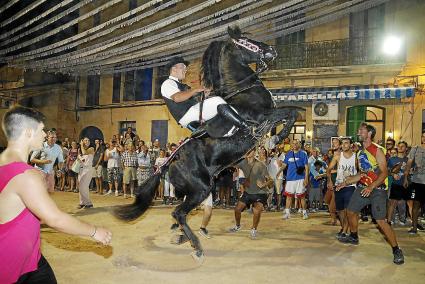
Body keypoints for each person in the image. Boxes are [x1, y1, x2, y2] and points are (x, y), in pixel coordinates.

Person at [0, 106, 112, 283]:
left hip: (31, 258)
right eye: (41, 129)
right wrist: (95, 231)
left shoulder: (4, 163)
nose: (45, 134)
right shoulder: (26, 175)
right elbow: (55, 219)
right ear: (29, 132)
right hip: (13, 265)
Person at [339, 123, 404, 265]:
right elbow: (362, 174)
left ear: (369, 133)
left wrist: (371, 186)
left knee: (380, 220)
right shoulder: (360, 153)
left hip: (378, 189)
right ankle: (354, 236)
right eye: (359, 129)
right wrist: (346, 182)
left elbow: (384, 172)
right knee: (350, 211)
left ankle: (396, 249)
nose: (359, 131)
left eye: (361, 130)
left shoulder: (377, 150)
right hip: (363, 187)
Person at [161, 56, 251, 136]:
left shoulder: (180, 84)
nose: (185, 69)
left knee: (224, 104)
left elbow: (193, 100)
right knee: (217, 101)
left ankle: (228, 132)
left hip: (191, 112)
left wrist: (205, 95)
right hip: (186, 114)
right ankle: (245, 127)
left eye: (185, 67)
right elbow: (177, 98)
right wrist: (194, 90)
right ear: (174, 69)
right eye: (182, 67)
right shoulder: (168, 83)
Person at [229, 149, 273, 239]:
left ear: (254, 152)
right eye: (247, 150)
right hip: (248, 192)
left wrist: (264, 184)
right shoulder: (242, 163)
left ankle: (253, 229)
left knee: (256, 210)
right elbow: (231, 164)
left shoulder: (260, 165)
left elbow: (271, 180)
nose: (248, 152)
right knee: (237, 209)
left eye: (250, 150)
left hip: (260, 192)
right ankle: (238, 226)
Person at [327, 137, 357, 240]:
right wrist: (329, 181)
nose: (344, 145)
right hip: (338, 186)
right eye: (342, 143)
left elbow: (360, 172)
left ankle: (344, 230)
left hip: (350, 186)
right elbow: (329, 169)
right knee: (340, 210)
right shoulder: (337, 156)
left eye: (346, 143)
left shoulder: (356, 157)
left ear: (351, 145)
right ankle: (344, 227)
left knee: (348, 210)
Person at [279, 139, 309, 220]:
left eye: (296, 143)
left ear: (299, 145)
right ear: (291, 145)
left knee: (302, 197)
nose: (295, 145)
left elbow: (306, 167)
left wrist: (306, 178)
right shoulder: (288, 154)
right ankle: (287, 213)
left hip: (300, 178)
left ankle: (304, 212)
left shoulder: (303, 154)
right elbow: (284, 165)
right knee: (289, 196)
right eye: (293, 143)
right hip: (290, 179)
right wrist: (279, 171)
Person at [403, 131, 425, 234]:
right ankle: (414, 227)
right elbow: (409, 162)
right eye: (423, 136)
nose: (424, 138)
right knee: (416, 204)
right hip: (418, 181)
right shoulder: (415, 149)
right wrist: (406, 177)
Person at [387, 141, 409, 226]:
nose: (400, 148)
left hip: (405, 183)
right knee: (392, 202)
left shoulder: (408, 159)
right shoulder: (392, 159)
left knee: (402, 203)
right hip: (395, 183)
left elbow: (414, 169)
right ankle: (390, 220)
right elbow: (387, 171)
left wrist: (411, 171)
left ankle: (402, 219)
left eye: (402, 146)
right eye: (399, 146)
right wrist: (393, 174)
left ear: (406, 148)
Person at [77, 138, 95, 209]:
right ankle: (82, 202)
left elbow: (84, 152)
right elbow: (79, 159)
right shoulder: (80, 150)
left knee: (84, 186)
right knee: (80, 186)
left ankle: (88, 203)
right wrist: (79, 158)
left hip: (88, 170)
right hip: (81, 169)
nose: (87, 141)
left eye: (88, 140)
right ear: (83, 141)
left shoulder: (91, 148)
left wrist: (81, 145)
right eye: (85, 140)